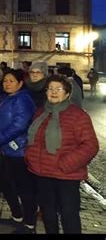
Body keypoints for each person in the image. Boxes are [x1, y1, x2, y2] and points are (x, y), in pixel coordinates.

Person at [25, 75, 99, 234]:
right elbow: (33, 140)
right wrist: (29, 157)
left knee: (69, 215)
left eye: (58, 89)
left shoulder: (78, 115)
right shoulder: (40, 112)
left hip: (66, 176)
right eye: (50, 88)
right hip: (42, 173)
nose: (53, 92)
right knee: (48, 215)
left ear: (67, 94)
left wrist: (66, 164)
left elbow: (90, 146)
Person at [0, 69, 37, 233]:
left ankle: (29, 222)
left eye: (11, 81)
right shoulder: (6, 98)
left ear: (20, 83)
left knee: (24, 187)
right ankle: (17, 215)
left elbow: (19, 125)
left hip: (20, 150)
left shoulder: (23, 99)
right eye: (5, 81)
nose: (7, 84)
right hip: (8, 150)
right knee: (4, 182)